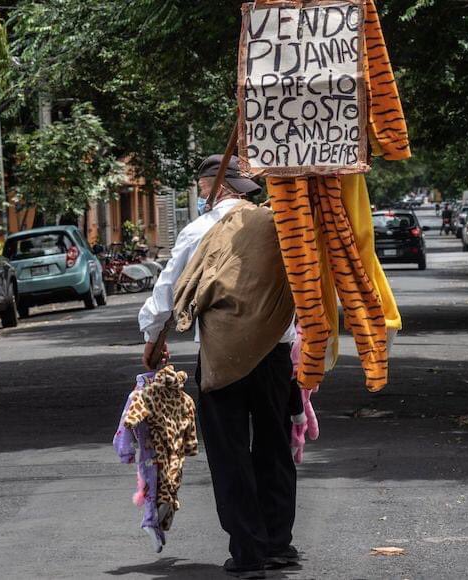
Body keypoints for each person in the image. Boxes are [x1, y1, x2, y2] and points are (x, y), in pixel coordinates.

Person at [138, 155, 298, 579]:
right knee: (275, 445)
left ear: (211, 187)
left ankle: (248, 552)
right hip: (277, 352)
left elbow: (169, 287)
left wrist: (154, 338)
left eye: (201, 189)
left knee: (229, 454)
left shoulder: (200, 229)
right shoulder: (277, 223)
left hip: (223, 354)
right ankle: (279, 544)